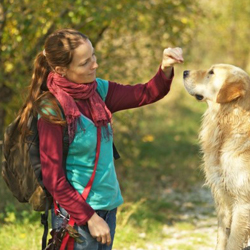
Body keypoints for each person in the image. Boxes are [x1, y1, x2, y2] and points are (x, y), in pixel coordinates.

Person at [19, 28, 183, 250]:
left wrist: (165, 67)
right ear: (61, 69)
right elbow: (53, 179)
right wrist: (90, 218)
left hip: (108, 207)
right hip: (77, 217)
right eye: (85, 62)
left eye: (93, 56)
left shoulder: (99, 91)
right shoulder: (51, 110)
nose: (94, 64)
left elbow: (146, 93)